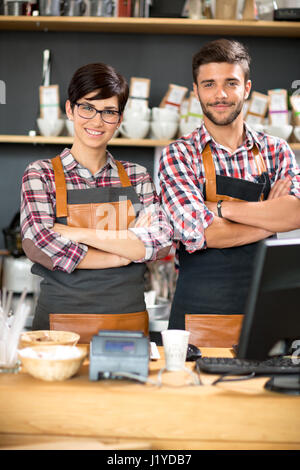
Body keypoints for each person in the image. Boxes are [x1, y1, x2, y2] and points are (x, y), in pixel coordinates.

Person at [21, 62, 172, 340]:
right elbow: (40, 244)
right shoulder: (41, 174)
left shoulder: (138, 177)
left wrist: (76, 234)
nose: (97, 121)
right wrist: (122, 253)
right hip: (59, 324)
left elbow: (159, 242)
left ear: (120, 118)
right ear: (70, 109)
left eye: (109, 112)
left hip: (127, 322)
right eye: (88, 108)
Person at [159, 38, 300, 330]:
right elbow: (199, 231)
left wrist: (221, 209)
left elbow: (295, 214)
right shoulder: (179, 154)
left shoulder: (276, 150)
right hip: (198, 314)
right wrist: (271, 215)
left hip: (266, 310)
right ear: (196, 91)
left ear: (246, 88)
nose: (220, 94)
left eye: (231, 83)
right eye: (209, 84)